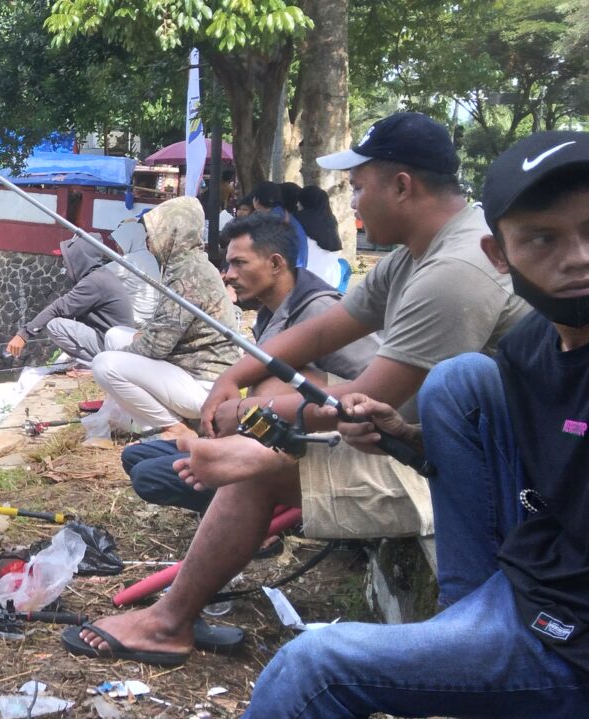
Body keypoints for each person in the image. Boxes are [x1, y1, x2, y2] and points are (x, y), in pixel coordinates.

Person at [65, 111, 531, 668]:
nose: (351, 205)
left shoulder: (455, 269)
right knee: (248, 459)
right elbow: (329, 327)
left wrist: (248, 420)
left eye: (358, 188)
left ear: (402, 185)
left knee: (253, 469)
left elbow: (368, 399)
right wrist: (232, 380)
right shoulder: (415, 253)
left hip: (480, 472)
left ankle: (168, 623)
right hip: (431, 441)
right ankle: (173, 614)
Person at [247, 130, 589, 718]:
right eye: (542, 238)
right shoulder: (533, 346)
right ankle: (465, 621)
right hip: (534, 570)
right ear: (500, 256)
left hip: (570, 631)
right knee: (460, 381)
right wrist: (406, 440)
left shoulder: (455, 274)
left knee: (315, 666)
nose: (579, 256)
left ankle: (475, 646)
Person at [125, 212, 379, 514]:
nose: (228, 274)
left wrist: (263, 409)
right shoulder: (268, 314)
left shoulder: (321, 311)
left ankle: (264, 509)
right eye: (228, 264)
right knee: (136, 458)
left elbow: (379, 390)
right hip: (264, 439)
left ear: (275, 264)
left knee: (150, 476)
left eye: (239, 263)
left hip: (318, 451)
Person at [88, 196, 242, 443]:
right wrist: (140, 339)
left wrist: (134, 346)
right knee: (115, 335)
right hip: (189, 371)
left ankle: (174, 427)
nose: (149, 241)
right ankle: (137, 420)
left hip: (207, 385)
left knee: (105, 364)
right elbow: (163, 329)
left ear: (173, 232)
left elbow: (155, 348)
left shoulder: (187, 274)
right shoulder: (187, 264)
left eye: (154, 233)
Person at [5, 236, 134, 365]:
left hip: (113, 349)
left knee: (54, 325)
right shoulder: (101, 276)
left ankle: (92, 365)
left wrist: (24, 334)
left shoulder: (94, 282)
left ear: (79, 259)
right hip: (114, 343)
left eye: (67, 260)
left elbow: (58, 308)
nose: (65, 264)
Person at [296, 184, 343, 251]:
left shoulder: (299, 218)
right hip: (332, 259)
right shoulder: (331, 219)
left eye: (299, 202)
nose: (297, 204)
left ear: (305, 201)